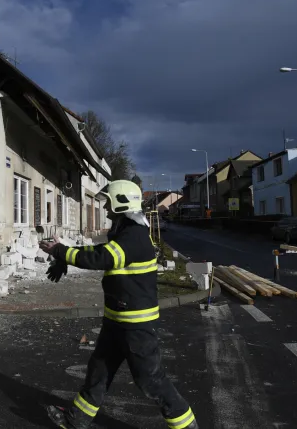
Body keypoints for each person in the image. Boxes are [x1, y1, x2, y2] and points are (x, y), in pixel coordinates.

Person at [40, 180, 198, 429]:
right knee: (98, 373)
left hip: (136, 325)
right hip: (117, 321)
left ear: (121, 203)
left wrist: (61, 251)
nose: (104, 208)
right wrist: (64, 256)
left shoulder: (133, 236)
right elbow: (102, 250)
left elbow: (101, 257)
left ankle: (187, 426)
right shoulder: (126, 233)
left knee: (151, 381)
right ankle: (76, 421)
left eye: (108, 203)